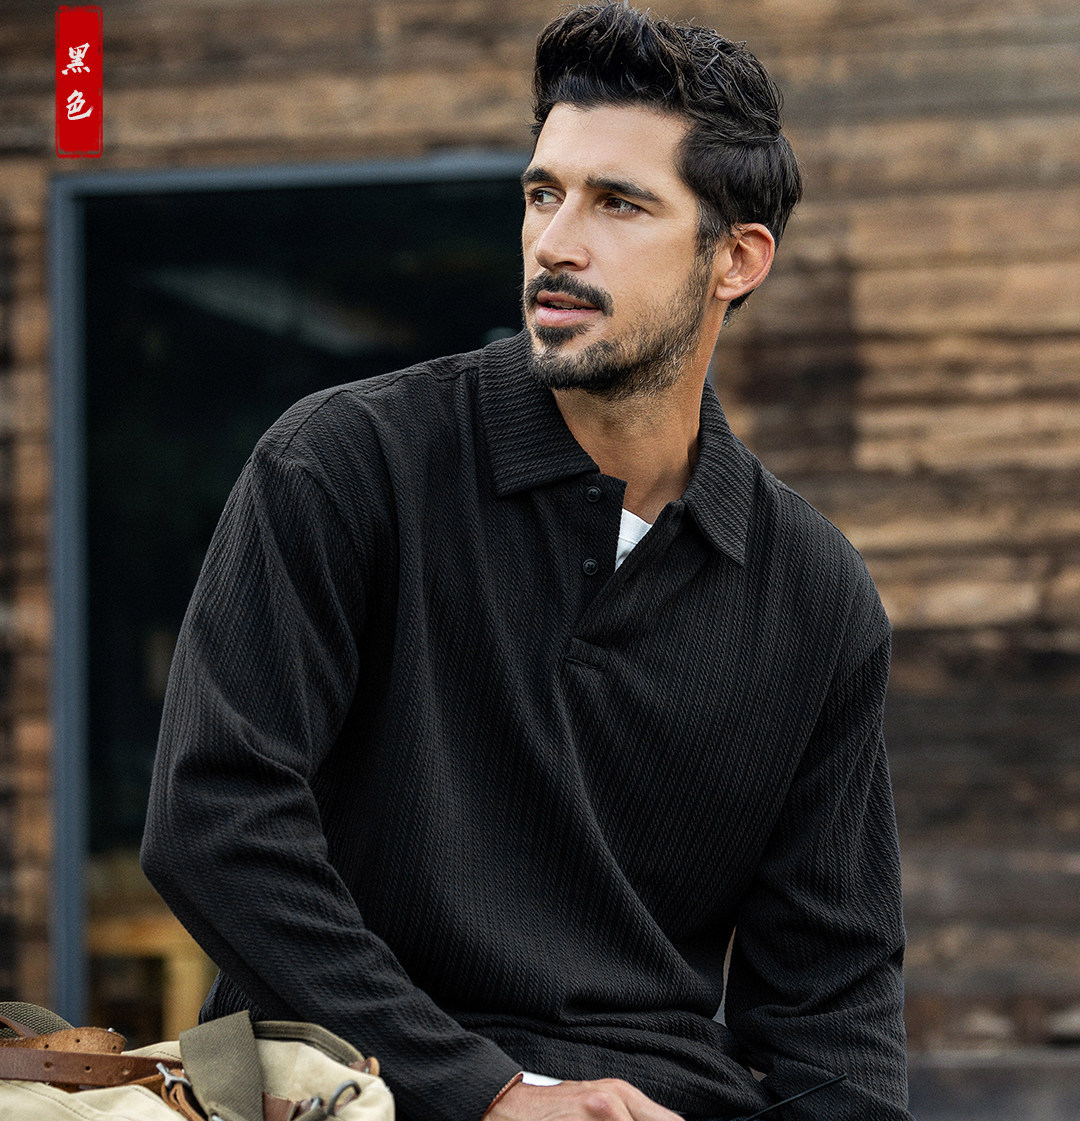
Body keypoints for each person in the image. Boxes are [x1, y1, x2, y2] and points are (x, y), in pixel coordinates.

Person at [141, 4, 912, 1120]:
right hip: (355, 1089)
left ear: (736, 260)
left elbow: (832, 1000)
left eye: (619, 203)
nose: (556, 242)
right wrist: (490, 1092)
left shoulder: (815, 596)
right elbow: (216, 824)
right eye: (544, 194)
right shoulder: (346, 465)